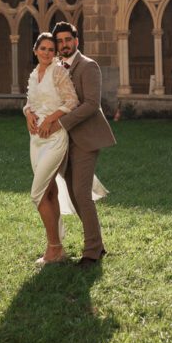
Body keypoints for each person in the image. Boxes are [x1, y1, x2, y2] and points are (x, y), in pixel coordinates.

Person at [37, 22, 115, 267]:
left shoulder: (88, 66)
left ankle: (92, 252)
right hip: (63, 142)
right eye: (59, 41)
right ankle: (97, 244)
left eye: (67, 40)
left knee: (81, 193)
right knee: (71, 192)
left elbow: (92, 104)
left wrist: (61, 123)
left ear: (76, 41)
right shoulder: (55, 68)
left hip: (85, 137)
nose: (64, 45)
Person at [24, 32, 77, 265]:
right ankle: (57, 249)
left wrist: (50, 120)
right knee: (49, 192)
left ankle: (53, 248)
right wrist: (27, 113)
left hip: (55, 136)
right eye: (43, 48)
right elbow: (30, 102)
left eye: (50, 49)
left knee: (37, 193)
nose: (47, 53)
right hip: (36, 140)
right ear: (35, 50)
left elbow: (71, 101)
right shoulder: (34, 74)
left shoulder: (58, 71)